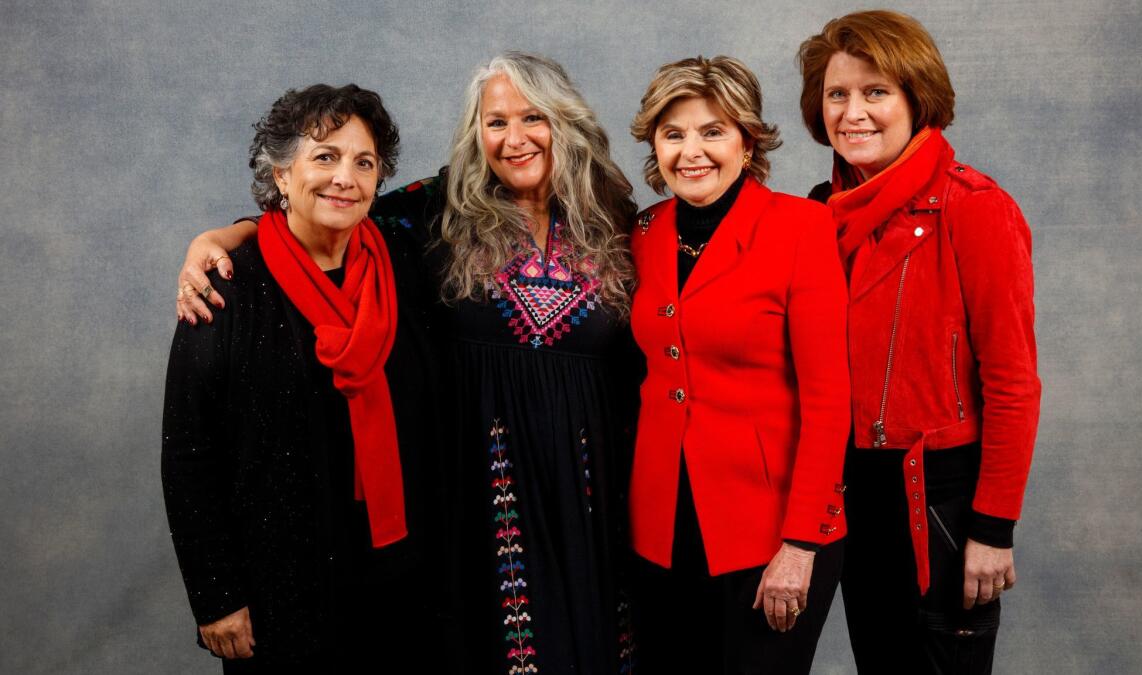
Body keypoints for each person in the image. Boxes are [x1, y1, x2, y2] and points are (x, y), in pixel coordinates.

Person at [173, 53, 640, 675]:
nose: (515, 137)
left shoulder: (614, 213)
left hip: (587, 485)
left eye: (534, 117)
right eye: (495, 121)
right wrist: (223, 237)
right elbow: (332, 212)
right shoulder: (438, 210)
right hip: (480, 490)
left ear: (566, 122)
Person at [162, 84, 445, 672]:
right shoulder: (226, 287)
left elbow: (485, 176)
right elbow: (189, 452)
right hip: (280, 597)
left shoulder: (403, 257)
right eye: (324, 157)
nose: (345, 177)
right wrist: (217, 596)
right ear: (283, 175)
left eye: (363, 163)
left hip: (402, 583)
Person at [797, 11, 1041, 673]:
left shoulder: (975, 208)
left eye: (876, 92)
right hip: (849, 494)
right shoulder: (814, 217)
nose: (855, 112)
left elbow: (1014, 382)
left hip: (939, 498)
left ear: (916, 99)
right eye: (837, 94)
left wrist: (992, 526)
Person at [625, 55, 851, 674]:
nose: (690, 151)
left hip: (769, 530)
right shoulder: (642, 233)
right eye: (673, 134)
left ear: (747, 141)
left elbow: (830, 401)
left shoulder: (802, 227)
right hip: (661, 530)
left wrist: (800, 544)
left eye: (712, 131)